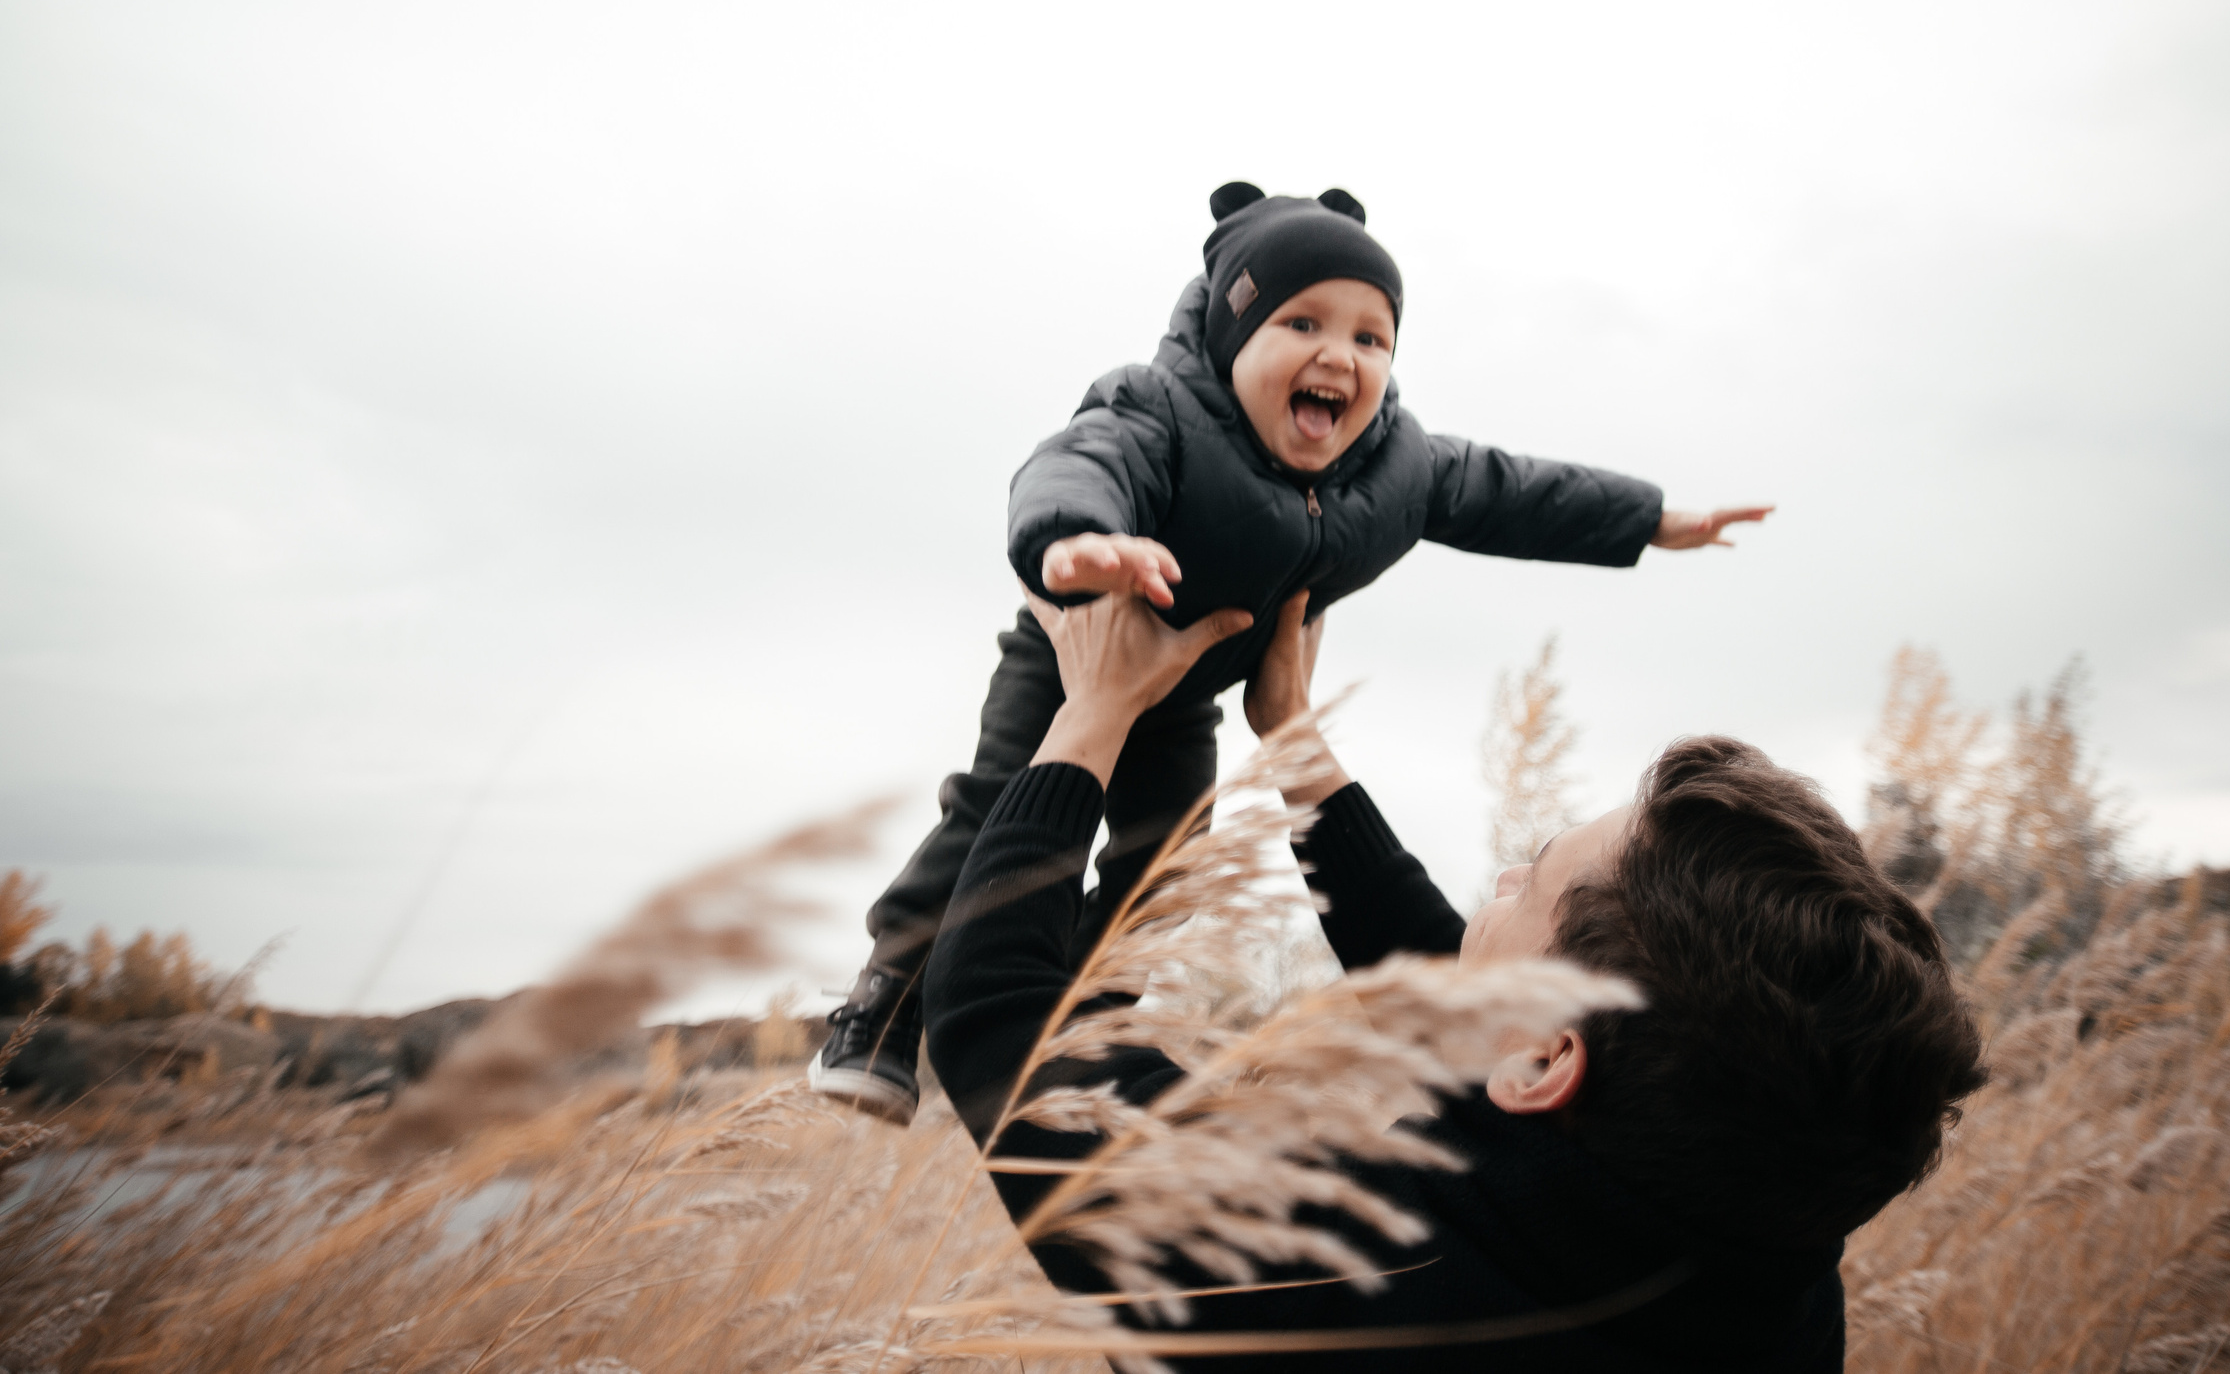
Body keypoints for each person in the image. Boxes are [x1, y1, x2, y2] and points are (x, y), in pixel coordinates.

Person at [812, 181, 1769, 1118]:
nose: (1338, 356)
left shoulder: (1399, 466)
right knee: (992, 814)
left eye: (1370, 336)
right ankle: (885, 1006)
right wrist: (1073, 538)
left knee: (1172, 865)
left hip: (1190, 691)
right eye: (1301, 324)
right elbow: (1081, 456)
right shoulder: (1160, 410)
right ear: (1234, 334)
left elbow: (1516, 491)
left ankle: (1083, 1018)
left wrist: (1649, 520)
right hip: (1079, 647)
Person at [924, 586, 1988, 1371]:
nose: (1507, 874)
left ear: (1544, 1060)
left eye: (1533, 883)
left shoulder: (1340, 1280)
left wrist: (1090, 716)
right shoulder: (1767, 1253)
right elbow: (1479, 1007)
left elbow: (1003, 1023)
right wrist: (1292, 743)